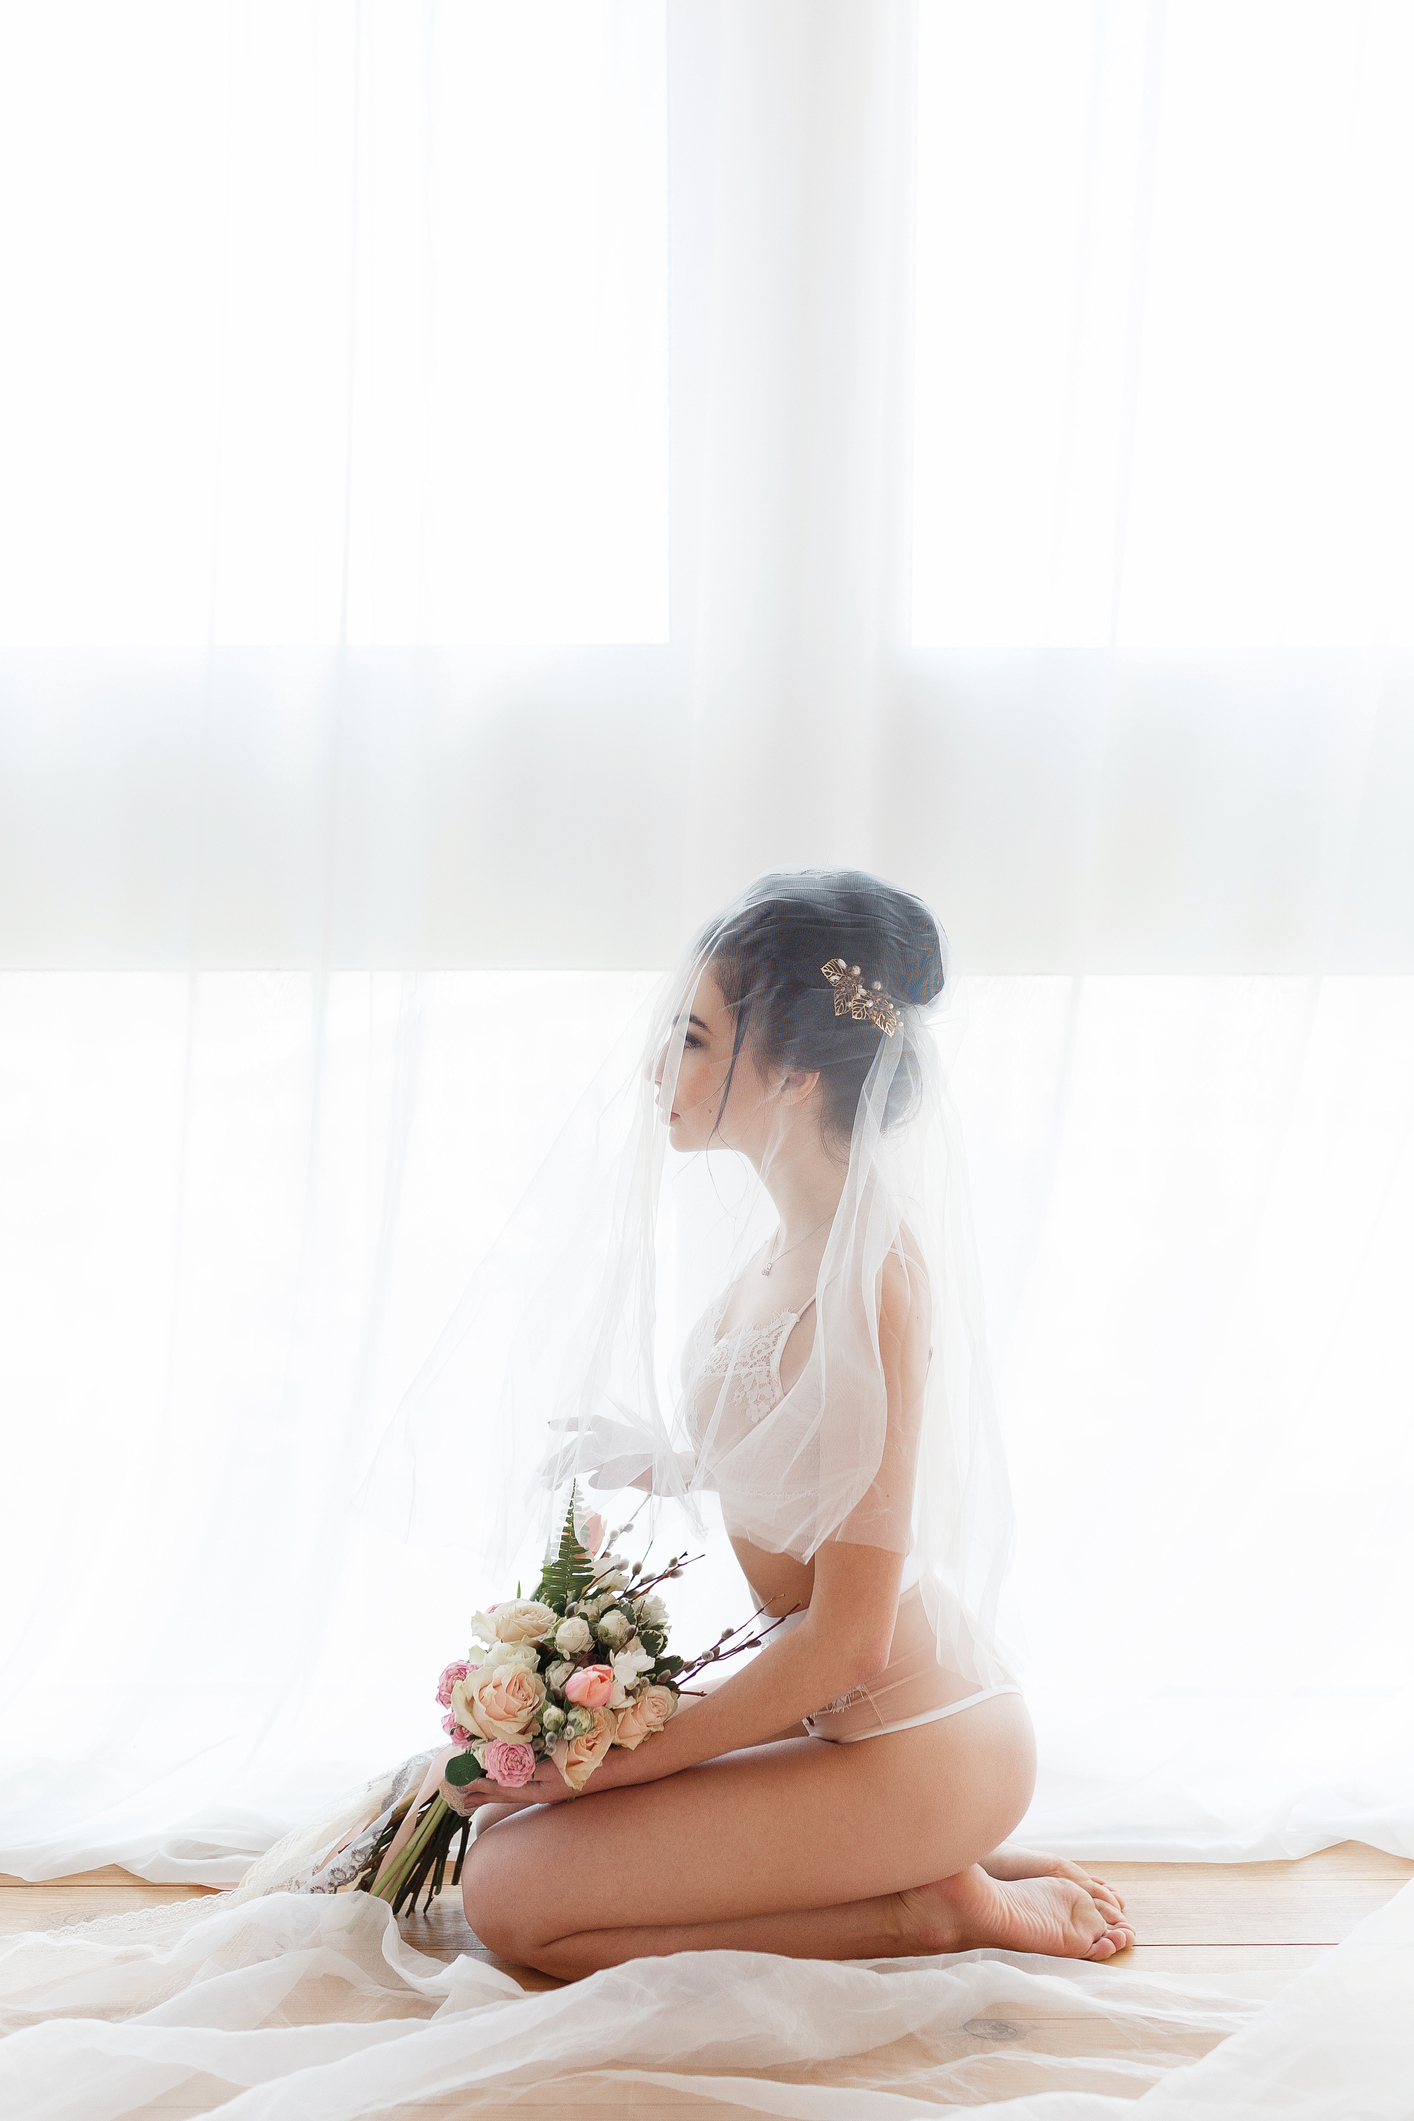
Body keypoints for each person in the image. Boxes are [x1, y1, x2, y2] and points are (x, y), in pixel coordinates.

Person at [397, 871, 1135, 1978]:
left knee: (509, 1899)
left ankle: (930, 1906)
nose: (658, 1067)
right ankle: (904, 1865)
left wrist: (621, 1768)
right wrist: (668, 1465)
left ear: (791, 1073)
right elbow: (805, 1456)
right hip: (834, 1716)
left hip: (915, 1739)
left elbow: (853, 1638)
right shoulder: (792, 1240)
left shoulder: (875, 1275)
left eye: (693, 1039)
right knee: (502, 1818)